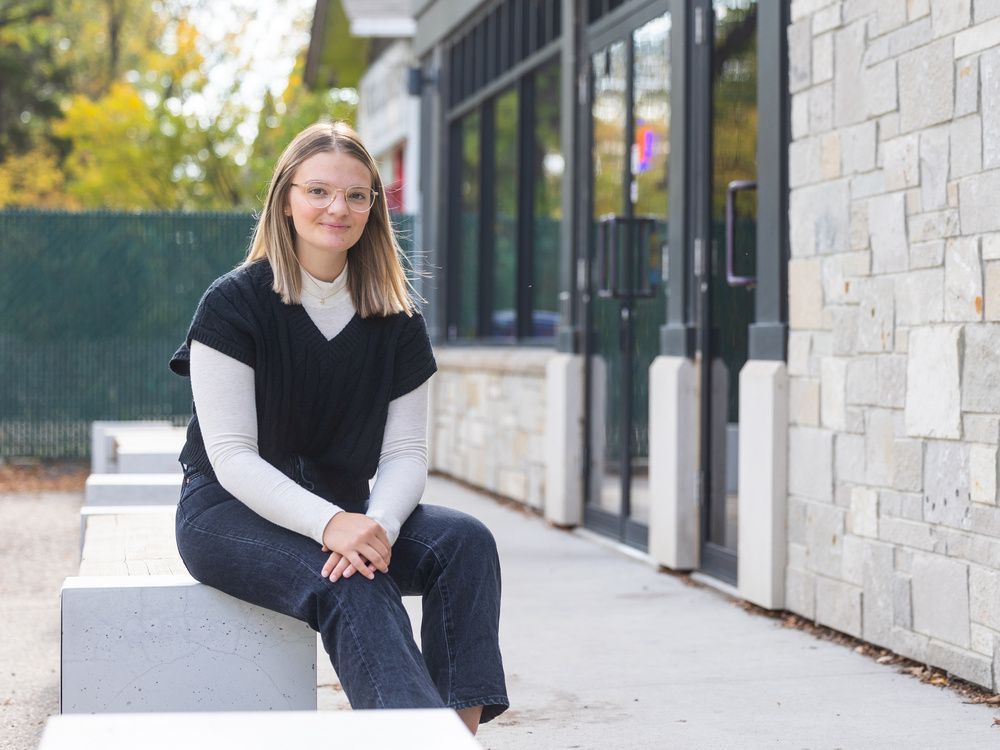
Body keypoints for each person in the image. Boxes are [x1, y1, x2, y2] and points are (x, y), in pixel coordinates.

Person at [168, 121, 508, 733]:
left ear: (374, 207)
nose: (338, 208)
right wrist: (333, 526)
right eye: (318, 191)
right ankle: (413, 740)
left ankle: (455, 735)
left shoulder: (397, 320)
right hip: (227, 513)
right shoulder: (233, 304)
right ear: (287, 198)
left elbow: (405, 452)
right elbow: (231, 455)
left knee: (465, 542)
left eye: (356, 195)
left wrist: (376, 525)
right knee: (353, 585)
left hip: (348, 510)